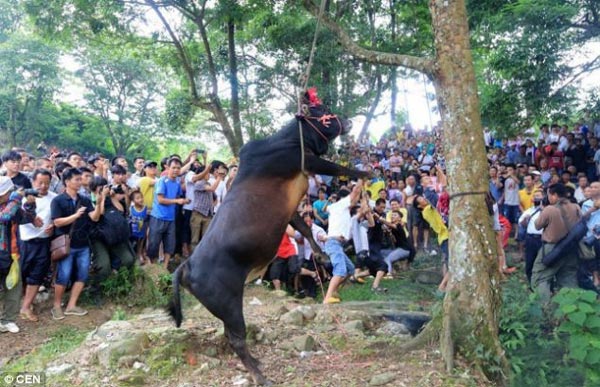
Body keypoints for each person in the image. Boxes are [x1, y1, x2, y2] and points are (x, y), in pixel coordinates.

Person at [50, 167, 103, 320]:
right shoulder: (58, 200)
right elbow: (57, 222)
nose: (80, 182)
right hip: (67, 243)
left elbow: (94, 217)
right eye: (77, 179)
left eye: (81, 179)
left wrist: (99, 204)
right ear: (67, 181)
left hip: (83, 243)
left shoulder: (85, 199)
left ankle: (71, 305)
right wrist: (75, 215)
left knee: (83, 274)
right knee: (63, 275)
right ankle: (56, 306)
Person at [532, 183, 582, 304]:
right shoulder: (575, 207)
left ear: (554, 195)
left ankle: (545, 310)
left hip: (552, 248)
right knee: (568, 279)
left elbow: (537, 225)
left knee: (540, 278)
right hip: (571, 247)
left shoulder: (550, 209)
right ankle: (572, 311)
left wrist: (542, 210)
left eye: (548, 194)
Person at [0, 177, 38, 333]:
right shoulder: (11, 205)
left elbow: (27, 218)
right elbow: (4, 217)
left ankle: (7, 320)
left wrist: (29, 203)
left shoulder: (12, 205)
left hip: (12, 255)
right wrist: (16, 198)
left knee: (14, 288)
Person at [18, 169, 56, 322]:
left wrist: (53, 224)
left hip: (44, 241)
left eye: (47, 183)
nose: (43, 186)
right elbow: (17, 216)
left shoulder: (54, 198)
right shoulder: (24, 197)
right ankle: (21, 300)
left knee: (37, 274)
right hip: (25, 241)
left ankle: (26, 307)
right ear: (33, 181)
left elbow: (58, 215)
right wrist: (31, 217)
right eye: (40, 182)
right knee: (21, 273)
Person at [322, 179, 363, 304]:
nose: (354, 201)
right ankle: (327, 297)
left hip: (337, 244)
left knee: (350, 269)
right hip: (334, 242)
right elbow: (355, 192)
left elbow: (325, 210)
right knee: (340, 270)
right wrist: (362, 179)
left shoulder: (335, 207)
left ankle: (334, 291)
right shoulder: (341, 205)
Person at [147, 158, 189, 269]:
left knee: (170, 243)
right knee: (154, 243)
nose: (176, 170)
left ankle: (165, 267)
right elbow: (160, 199)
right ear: (168, 168)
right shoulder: (162, 181)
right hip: (158, 216)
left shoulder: (177, 183)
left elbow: (178, 195)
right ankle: (153, 267)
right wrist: (176, 201)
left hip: (170, 218)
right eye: (173, 167)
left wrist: (184, 200)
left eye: (178, 168)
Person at [518, 189, 544, 285]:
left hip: (543, 238)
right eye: (535, 196)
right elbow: (522, 225)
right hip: (530, 238)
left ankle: (544, 284)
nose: (537, 198)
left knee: (543, 261)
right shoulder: (528, 211)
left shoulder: (548, 210)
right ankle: (531, 283)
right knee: (530, 260)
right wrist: (525, 220)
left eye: (539, 196)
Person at [129, 190, 149, 265]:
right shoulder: (131, 208)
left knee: (141, 243)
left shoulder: (146, 209)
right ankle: (134, 256)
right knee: (134, 243)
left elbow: (147, 220)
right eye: (137, 198)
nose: (140, 199)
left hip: (142, 231)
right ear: (133, 201)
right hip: (133, 232)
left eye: (141, 197)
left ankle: (140, 254)